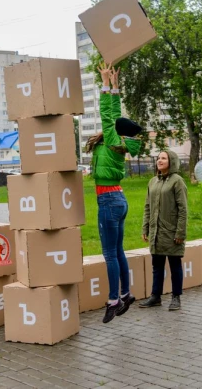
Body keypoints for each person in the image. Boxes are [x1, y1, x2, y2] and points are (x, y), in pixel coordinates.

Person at [85, 62, 143, 324]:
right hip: (117, 199)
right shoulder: (120, 142)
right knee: (118, 251)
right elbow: (114, 114)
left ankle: (113, 299)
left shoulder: (112, 139)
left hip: (108, 200)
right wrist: (116, 86)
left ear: (116, 131)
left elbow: (108, 115)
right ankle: (126, 293)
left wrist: (106, 84)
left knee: (110, 253)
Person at [139, 150, 188, 311]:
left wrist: (180, 232)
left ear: (171, 161)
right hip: (156, 231)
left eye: (163, 158)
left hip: (172, 231)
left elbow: (183, 209)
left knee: (175, 265)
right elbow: (147, 206)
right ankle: (155, 296)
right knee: (157, 266)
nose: (159, 161)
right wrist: (145, 227)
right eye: (158, 158)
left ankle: (176, 297)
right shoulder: (153, 181)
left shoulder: (177, 181)